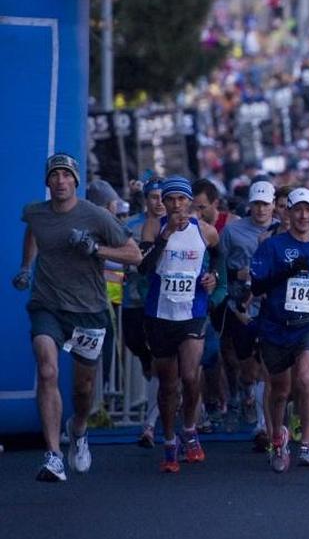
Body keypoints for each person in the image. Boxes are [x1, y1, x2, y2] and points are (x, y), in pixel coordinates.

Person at [16, 154, 142, 482]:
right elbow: (33, 233)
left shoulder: (96, 216)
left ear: (75, 181)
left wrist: (95, 249)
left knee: (83, 388)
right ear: (48, 182)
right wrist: (27, 267)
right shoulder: (35, 213)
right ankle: (54, 455)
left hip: (88, 310)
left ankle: (80, 427)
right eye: (54, 175)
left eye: (66, 175)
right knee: (47, 369)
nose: (60, 181)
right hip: (48, 305)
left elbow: (134, 255)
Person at [138, 176, 222, 473]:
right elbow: (143, 266)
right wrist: (165, 236)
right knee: (168, 384)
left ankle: (189, 429)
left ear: (189, 202)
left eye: (181, 200)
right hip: (160, 314)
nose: (176, 205)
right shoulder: (154, 226)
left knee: (190, 376)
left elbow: (217, 259)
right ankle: (170, 441)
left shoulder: (206, 231)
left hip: (193, 312)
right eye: (170, 199)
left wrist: (214, 277)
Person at [250, 187, 309, 472]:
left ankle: (307, 444)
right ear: (287, 212)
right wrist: (287, 271)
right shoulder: (272, 246)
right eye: (298, 209)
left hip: (308, 325)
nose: (304, 215)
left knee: (307, 379)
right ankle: (277, 438)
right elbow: (257, 286)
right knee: (280, 391)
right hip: (275, 326)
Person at [218, 180, 277, 451]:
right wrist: (235, 275)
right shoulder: (232, 231)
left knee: (267, 364)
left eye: (266, 204)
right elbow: (219, 268)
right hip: (241, 307)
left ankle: (263, 427)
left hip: (271, 308)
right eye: (257, 204)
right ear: (250, 205)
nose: (261, 209)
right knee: (248, 367)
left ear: (274, 205)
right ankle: (247, 395)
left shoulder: (281, 231)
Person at [122, 178, 165, 447]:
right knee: (137, 347)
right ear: (145, 199)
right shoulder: (130, 226)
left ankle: (150, 424)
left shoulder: (176, 226)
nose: (159, 202)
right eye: (154, 197)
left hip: (163, 305)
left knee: (163, 362)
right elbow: (116, 254)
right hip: (134, 301)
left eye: (164, 197)